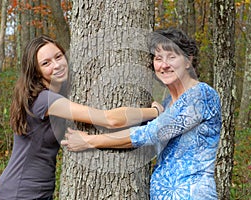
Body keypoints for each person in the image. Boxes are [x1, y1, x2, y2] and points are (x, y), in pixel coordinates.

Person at [0, 35, 163, 200]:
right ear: (36, 71)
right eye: (46, 63)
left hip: (36, 190)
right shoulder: (45, 99)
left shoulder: (56, 94)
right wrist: (154, 112)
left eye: (58, 57)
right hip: (21, 192)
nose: (57, 65)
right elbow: (110, 119)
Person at [61, 28, 222, 199]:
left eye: (172, 57)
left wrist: (89, 140)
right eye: (158, 58)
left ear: (188, 61)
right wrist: (154, 111)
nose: (164, 65)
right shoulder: (168, 103)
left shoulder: (201, 94)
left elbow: (149, 133)